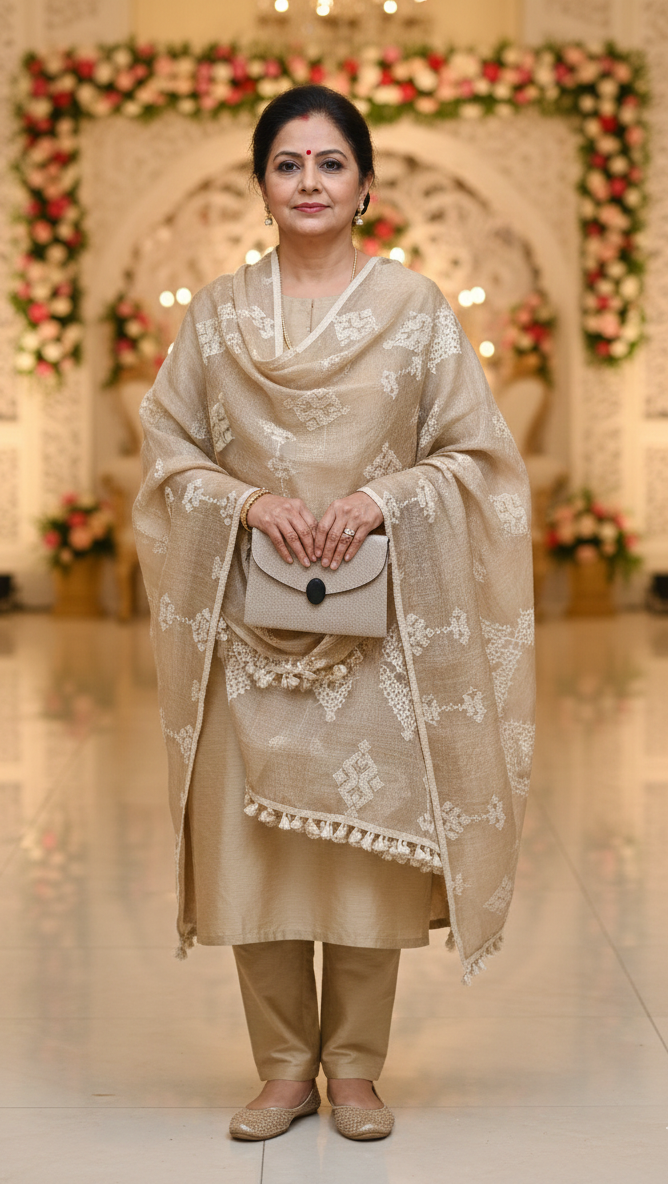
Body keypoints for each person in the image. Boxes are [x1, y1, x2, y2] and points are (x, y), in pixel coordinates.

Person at [133, 85, 535, 1143]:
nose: (308, 181)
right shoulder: (219, 314)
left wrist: (383, 500)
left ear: (364, 184)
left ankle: (354, 1069)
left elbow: (478, 457)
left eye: (329, 163)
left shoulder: (415, 310)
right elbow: (168, 450)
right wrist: (247, 503)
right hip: (245, 621)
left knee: (365, 854)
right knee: (250, 850)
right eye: (287, 163)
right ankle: (281, 1070)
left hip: (377, 624)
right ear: (260, 183)